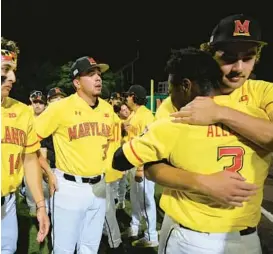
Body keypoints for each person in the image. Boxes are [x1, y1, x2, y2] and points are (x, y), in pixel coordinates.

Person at [113, 47, 272, 254]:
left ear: (186, 85)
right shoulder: (257, 117)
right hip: (246, 240)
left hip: (191, 238)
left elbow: (120, 160)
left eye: (172, 89)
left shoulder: (175, 121)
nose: (171, 96)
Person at [34, 56, 115, 253]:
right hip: (69, 186)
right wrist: (47, 171)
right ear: (77, 82)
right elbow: (30, 142)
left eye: (99, 74)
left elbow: (112, 142)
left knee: (90, 248)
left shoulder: (107, 108)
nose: (98, 78)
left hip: (99, 187)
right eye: (90, 74)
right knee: (64, 250)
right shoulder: (60, 108)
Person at [1, 37, 50, 254]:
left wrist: (40, 204)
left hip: (8, 204)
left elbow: (30, 158)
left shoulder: (22, 112)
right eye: (5, 69)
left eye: (13, 70)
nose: (12, 77)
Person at [124, 84, 159, 248]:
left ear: (133, 96)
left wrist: (140, 168)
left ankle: (151, 235)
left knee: (146, 201)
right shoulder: (134, 114)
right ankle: (135, 227)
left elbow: (147, 145)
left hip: (142, 165)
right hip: (133, 162)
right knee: (135, 199)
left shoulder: (145, 115)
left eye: (128, 96)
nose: (126, 98)